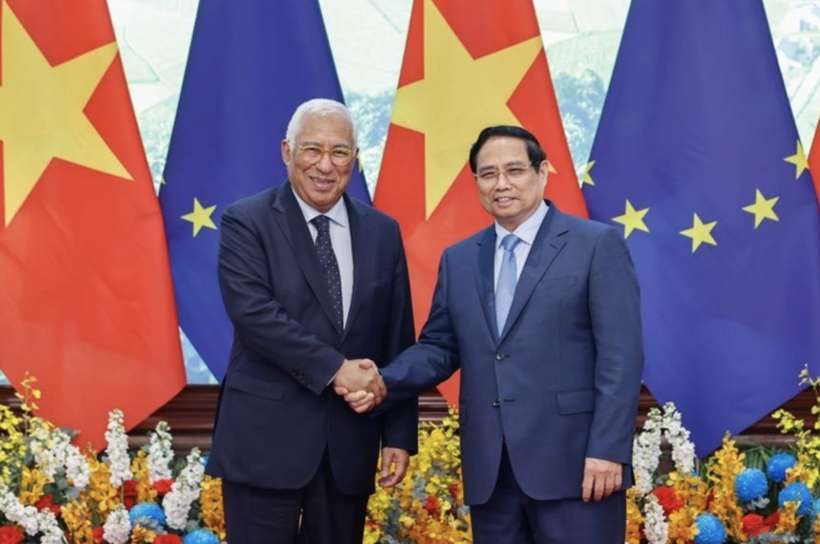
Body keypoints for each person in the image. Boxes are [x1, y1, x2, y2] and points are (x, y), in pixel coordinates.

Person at [342, 125, 643, 544]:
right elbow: (439, 347)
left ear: (542, 173)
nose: (501, 183)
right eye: (488, 174)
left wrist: (608, 450)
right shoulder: (461, 259)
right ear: (477, 183)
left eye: (514, 170)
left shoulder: (596, 245)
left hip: (577, 468)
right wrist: (380, 379)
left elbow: (620, 358)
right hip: (491, 474)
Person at [206, 98, 417, 544]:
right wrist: (336, 368)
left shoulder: (383, 231)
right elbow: (254, 316)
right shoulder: (248, 220)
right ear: (287, 151)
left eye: (340, 152)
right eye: (311, 150)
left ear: (354, 159)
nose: (326, 165)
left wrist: (398, 433)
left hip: (349, 446)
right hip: (264, 442)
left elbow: (397, 336)